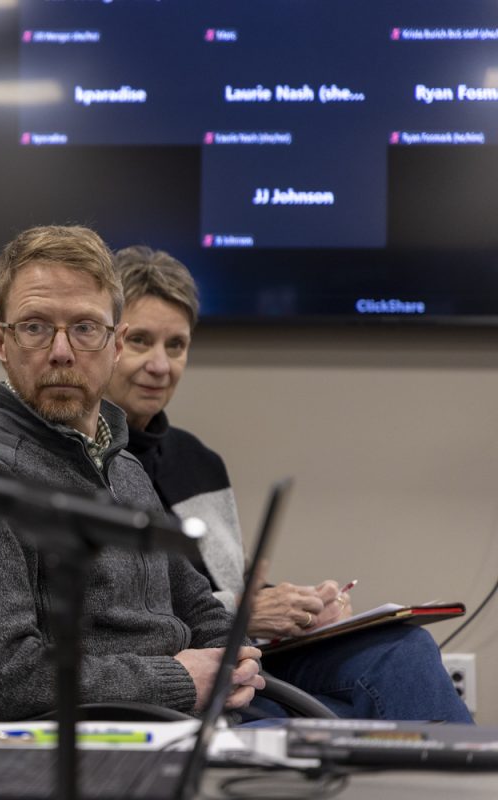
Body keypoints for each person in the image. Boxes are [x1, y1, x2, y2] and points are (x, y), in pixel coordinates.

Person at [105, 244, 472, 722]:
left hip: (249, 658)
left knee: (403, 648)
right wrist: (244, 612)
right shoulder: (84, 462)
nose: (161, 365)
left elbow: (227, 587)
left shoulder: (197, 461)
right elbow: (117, 619)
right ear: (105, 341)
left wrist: (299, 608)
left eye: (176, 346)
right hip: (176, 675)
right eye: (141, 342)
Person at [0, 224, 265, 721]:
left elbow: (196, 603)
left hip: (190, 721)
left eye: (85, 328)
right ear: (0, 342)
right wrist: (178, 680)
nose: (62, 351)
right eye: (36, 326)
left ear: (115, 342)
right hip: (102, 740)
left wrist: (234, 657)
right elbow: (5, 682)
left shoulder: (122, 465)